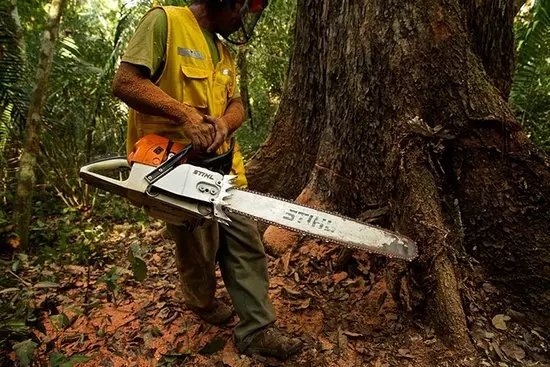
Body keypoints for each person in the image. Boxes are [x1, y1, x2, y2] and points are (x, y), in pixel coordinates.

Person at [111, 0, 303, 360]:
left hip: (224, 170)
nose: (243, 20)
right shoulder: (164, 23)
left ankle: (257, 329)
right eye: (242, 10)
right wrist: (183, 114)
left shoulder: (222, 52)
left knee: (244, 241)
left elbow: (238, 103)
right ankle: (200, 300)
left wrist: (224, 123)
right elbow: (125, 83)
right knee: (198, 252)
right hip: (173, 170)